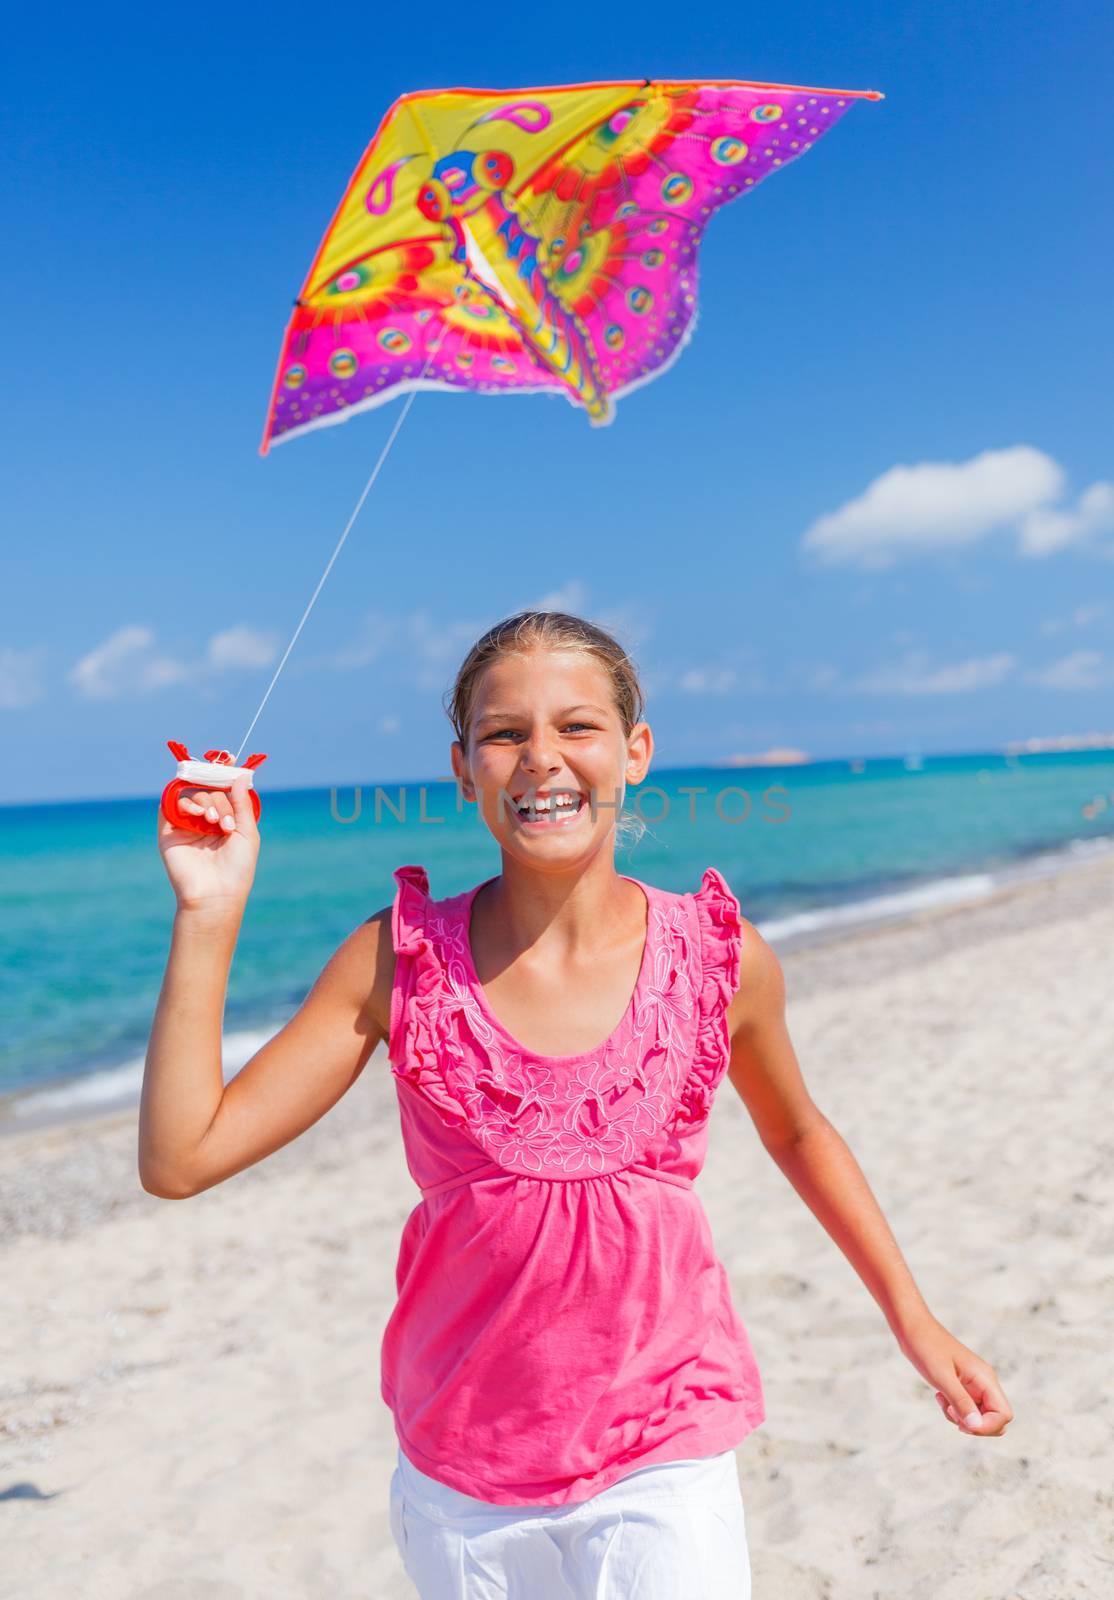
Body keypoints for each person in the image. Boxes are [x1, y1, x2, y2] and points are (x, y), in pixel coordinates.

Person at [141, 609, 1013, 1598]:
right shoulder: (400, 960)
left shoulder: (719, 959)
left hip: (664, 1444)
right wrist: (208, 913)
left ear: (635, 752)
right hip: (462, 1469)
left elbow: (798, 1129)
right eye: (504, 733)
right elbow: (181, 1159)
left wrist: (915, 1320)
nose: (540, 759)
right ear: (463, 767)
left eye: (578, 726)